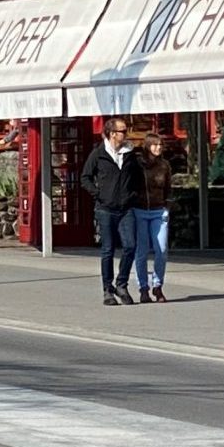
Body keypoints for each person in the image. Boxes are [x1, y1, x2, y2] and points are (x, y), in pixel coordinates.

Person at [81, 118, 140, 306]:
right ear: (112, 133)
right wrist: (98, 194)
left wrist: (133, 195)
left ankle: (121, 284)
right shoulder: (98, 154)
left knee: (130, 246)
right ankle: (107, 289)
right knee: (108, 250)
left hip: (126, 208)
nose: (126, 134)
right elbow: (85, 177)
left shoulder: (130, 154)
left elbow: (138, 177)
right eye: (122, 131)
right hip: (105, 208)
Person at [131, 128, 184, 304]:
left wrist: (167, 206)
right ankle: (143, 288)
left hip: (158, 210)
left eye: (160, 145)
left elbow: (168, 188)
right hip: (139, 210)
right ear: (147, 147)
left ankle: (158, 285)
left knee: (161, 249)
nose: (158, 147)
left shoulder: (164, 166)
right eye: (154, 145)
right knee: (142, 251)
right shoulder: (137, 165)